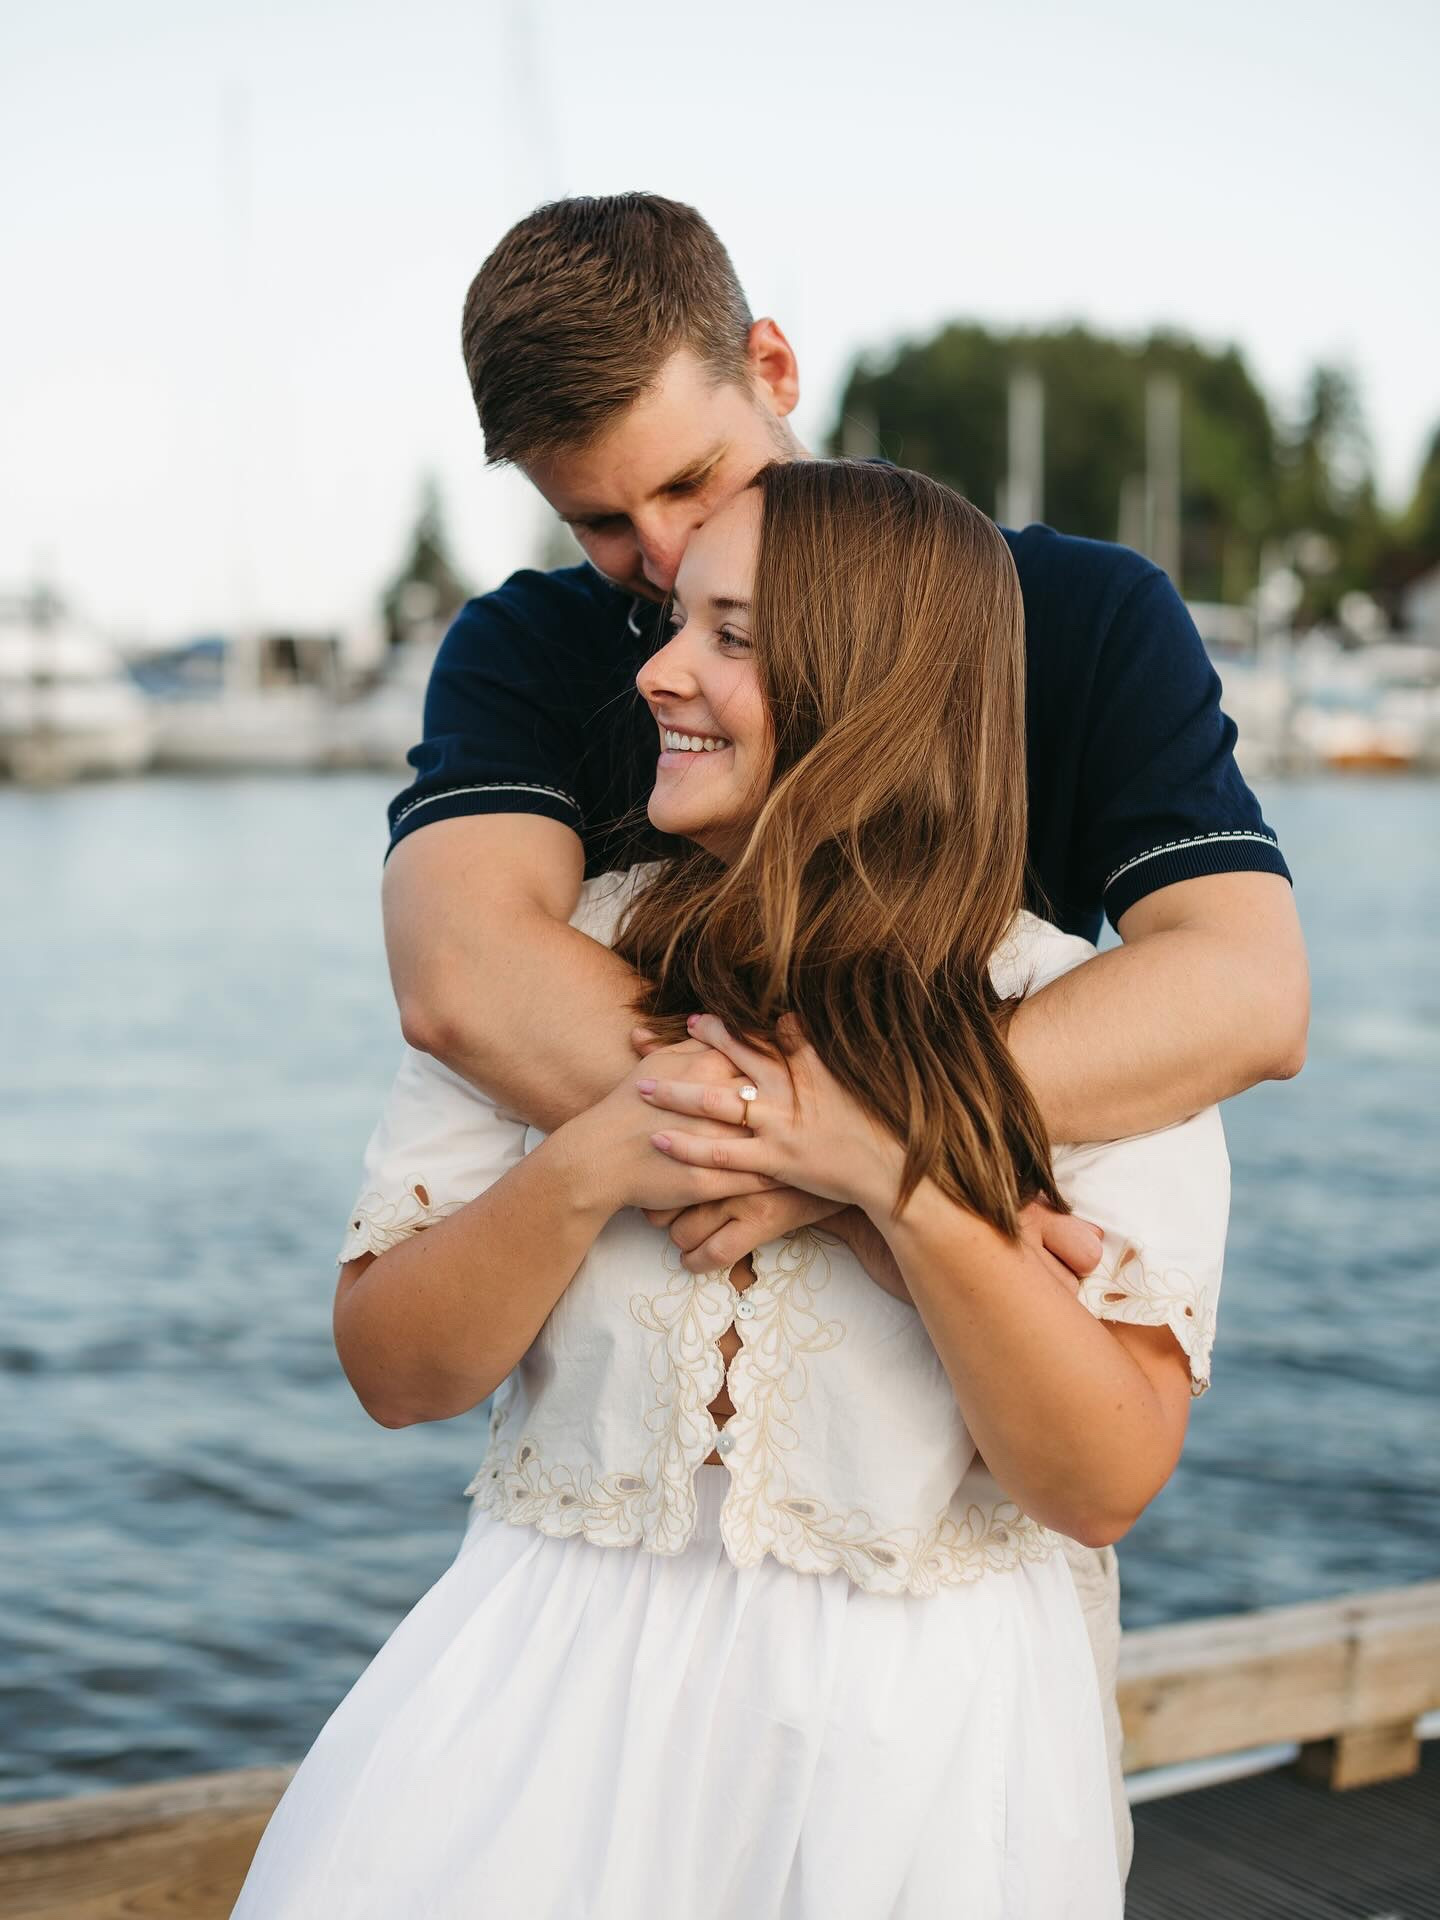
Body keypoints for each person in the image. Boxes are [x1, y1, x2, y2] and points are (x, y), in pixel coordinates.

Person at [376, 193, 1308, 1878]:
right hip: (586, 1634)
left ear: (775, 364)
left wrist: (873, 1155)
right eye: (602, 524)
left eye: (687, 482)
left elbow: (1241, 987)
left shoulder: (1075, 617)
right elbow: (462, 976)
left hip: (927, 1600)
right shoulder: (533, 649)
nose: (661, 561)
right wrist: (813, 1146)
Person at [233, 461, 1230, 1917]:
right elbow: (395, 1373)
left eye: (733, 636)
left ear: (877, 688)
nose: (659, 672)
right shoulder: (549, 970)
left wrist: (888, 1184)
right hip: (540, 1717)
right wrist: (594, 1158)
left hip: (918, 1760)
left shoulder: (1084, 1025)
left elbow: (1096, 1483)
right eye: (675, 626)